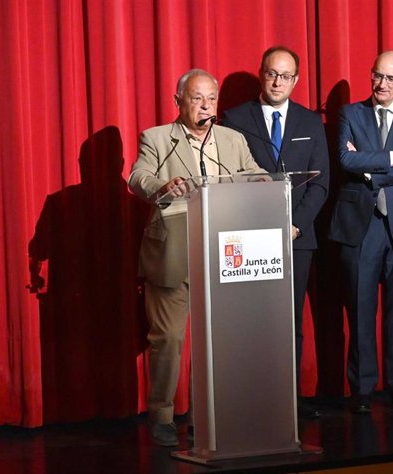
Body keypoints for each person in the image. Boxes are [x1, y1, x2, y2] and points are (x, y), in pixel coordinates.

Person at [128, 69, 264, 446]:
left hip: (225, 253)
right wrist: (161, 185)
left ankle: (219, 410)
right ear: (179, 102)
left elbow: (252, 174)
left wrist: (264, 182)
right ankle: (162, 414)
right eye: (196, 98)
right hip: (173, 252)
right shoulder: (157, 139)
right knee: (169, 338)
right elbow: (138, 176)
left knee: (222, 339)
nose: (205, 106)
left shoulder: (233, 139)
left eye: (211, 99)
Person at [222, 46, 330, 419]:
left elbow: (321, 183)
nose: (278, 82)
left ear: (296, 80)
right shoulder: (235, 119)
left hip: (297, 239)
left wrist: (295, 225)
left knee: (290, 321)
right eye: (271, 73)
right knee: (250, 322)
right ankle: (250, 398)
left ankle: (289, 398)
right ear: (261, 74)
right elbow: (229, 177)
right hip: (248, 239)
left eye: (285, 76)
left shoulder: (310, 122)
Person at [328, 51, 393, 414]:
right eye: (377, 76)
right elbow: (344, 159)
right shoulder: (350, 114)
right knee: (359, 310)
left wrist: (369, 167)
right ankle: (362, 391)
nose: (382, 84)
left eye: (390, 78)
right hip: (360, 224)